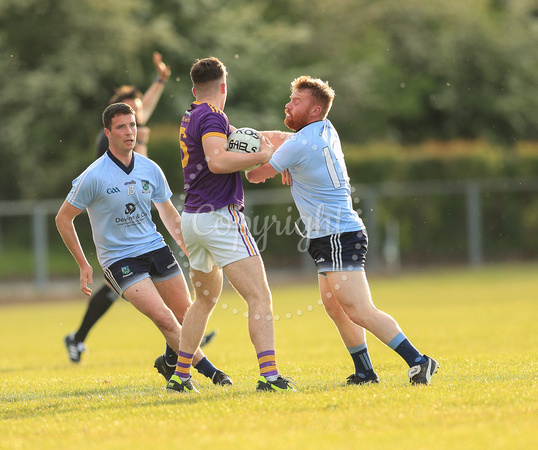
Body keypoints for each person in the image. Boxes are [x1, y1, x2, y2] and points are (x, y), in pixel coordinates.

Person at [247, 76, 439, 385]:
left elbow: (254, 174)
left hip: (337, 235)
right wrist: (279, 156)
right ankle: (364, 371)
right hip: (329, 235)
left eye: (296, 102)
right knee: (335, 306)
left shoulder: (299, 144)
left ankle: (418, 360)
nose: (288, 104)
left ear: (314, 110)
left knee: (358, 308)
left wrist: (262, 154)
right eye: (290, 99)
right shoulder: (325, 128)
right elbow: (284, 139)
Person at [56, 102, 232, 388]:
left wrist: (188, 248)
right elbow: (63, 219)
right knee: (164, 318)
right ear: (108, 133)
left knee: (187, 317)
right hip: (120, 259)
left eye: (133, 125)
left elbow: (168, 213)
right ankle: (213, 373)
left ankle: (170, 363)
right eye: (121, 127)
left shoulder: (150, 168)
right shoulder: (94, 176)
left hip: (156, 249)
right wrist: (83, 264)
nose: (129, 132)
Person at [166, 57, 295, 393]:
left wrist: (276, 150)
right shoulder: (212, 116)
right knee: (260, 296)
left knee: (204, 298)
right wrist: (261, 158)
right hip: (219, 217)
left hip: (193, 219)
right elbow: (218, 159)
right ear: (225, 86)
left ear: (195, 89)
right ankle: (270, 377)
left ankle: (180, 376)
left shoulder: (193, 113)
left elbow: (244, 137)